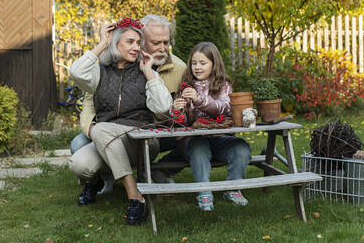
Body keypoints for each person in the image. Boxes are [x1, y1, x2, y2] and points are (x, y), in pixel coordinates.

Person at [69, 17, 172, 225]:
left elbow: (163, 107)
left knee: (100, 130)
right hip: (107, 140)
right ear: (115, 43)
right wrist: (101, 44)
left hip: (140, 141)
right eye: (130, 42)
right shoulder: (100, 71)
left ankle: (134, 196)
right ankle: (123, 190)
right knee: (80, 165)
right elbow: (76, 72)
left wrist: (150, 73)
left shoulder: (145, 71)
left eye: (138, 42)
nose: (136, 47)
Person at [173, 42, 251, 211]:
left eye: (203, 63)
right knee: (199, 146)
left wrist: (198, 100)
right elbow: (182, 123)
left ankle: (232, 188)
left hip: (220, 139)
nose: (197, 67)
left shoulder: (224, 86)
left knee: (242, 148)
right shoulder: (186, 86)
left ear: (214, 65)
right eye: (194, 63)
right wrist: (176, 111)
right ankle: (204, 191)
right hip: (195, 141)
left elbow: (222, 108)